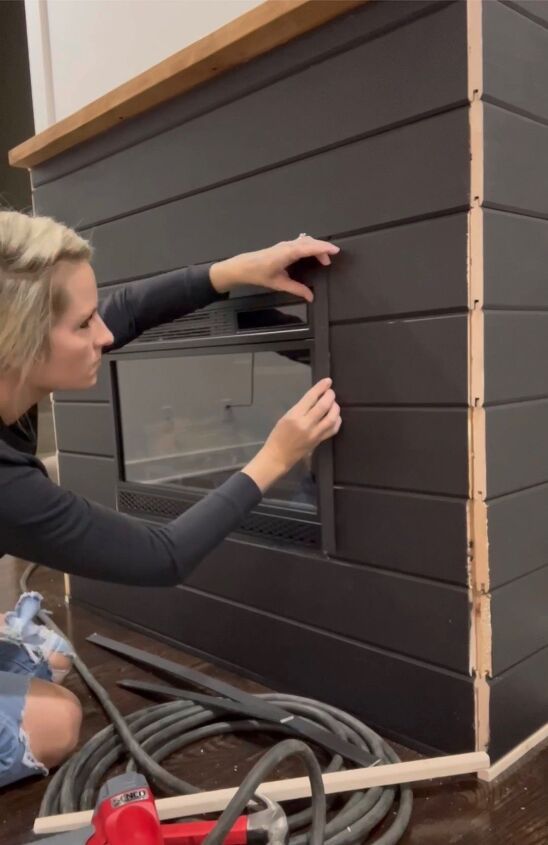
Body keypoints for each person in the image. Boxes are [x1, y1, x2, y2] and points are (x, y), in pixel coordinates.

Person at [0, 210, 341, 788]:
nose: (104, 335)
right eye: (84, 325)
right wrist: (275, 457)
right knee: (57, 722)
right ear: (20, 344)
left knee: (53, 659)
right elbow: (162, 556)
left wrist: (236, 270)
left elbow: (128, 308)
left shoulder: (13, 373)